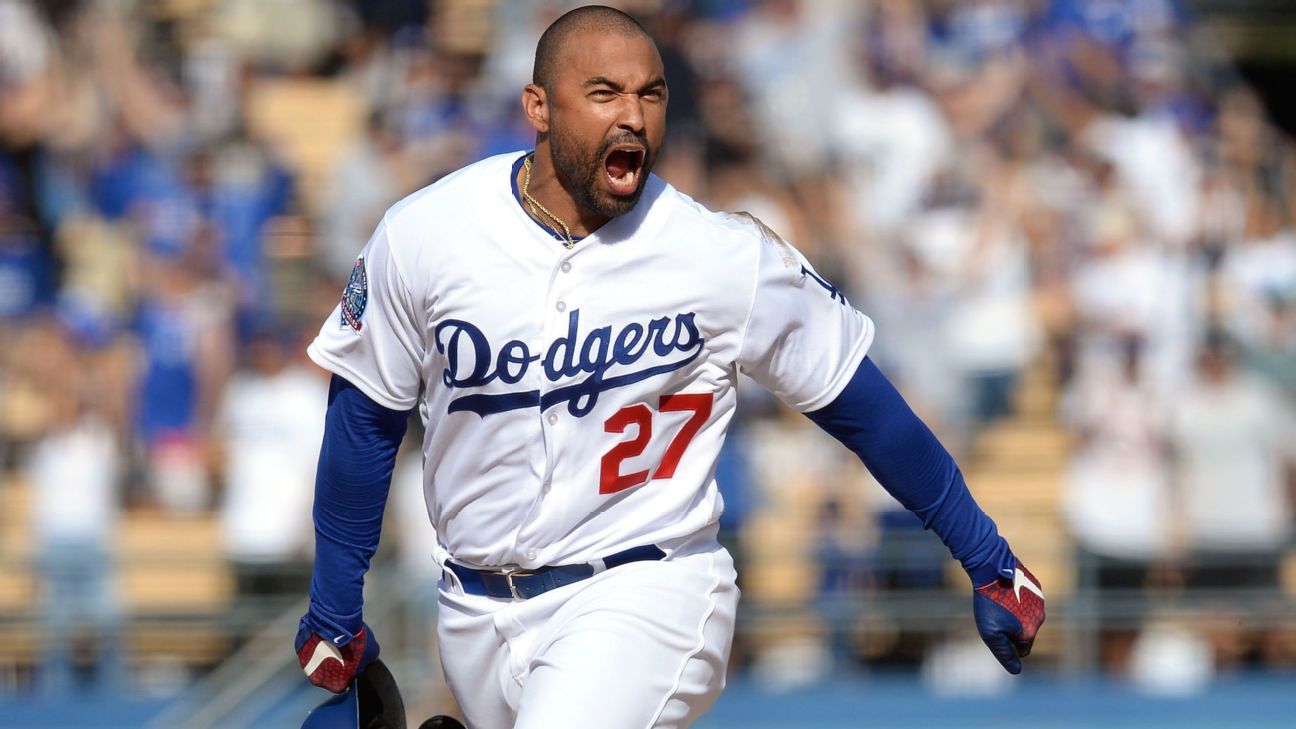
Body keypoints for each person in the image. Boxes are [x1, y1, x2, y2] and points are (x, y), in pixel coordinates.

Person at [293, 6, 1045, 728]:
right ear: (539, 106)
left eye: (650, 93)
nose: (633, 114)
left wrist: (987, 558)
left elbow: (861, 405)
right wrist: (335, 606)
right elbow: (365, 417)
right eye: (603, 92)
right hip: (473, 609)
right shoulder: (428, 233)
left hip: (649, 586)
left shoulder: (717, 255)